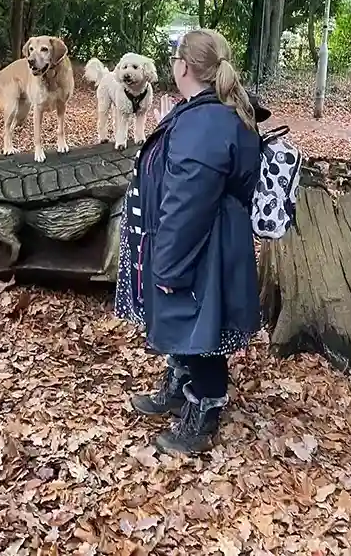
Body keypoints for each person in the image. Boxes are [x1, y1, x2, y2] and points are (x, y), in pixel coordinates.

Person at [115, 29, 270, 456]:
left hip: (203, 246)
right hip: (204, 241)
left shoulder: (205, 124)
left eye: (174, 60)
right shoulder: (205, 111)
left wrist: (168, 267)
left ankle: (204, 407)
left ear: (183, 67)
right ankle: (181, 383)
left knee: (204, 325)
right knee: (188, 320)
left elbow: (186, 206)